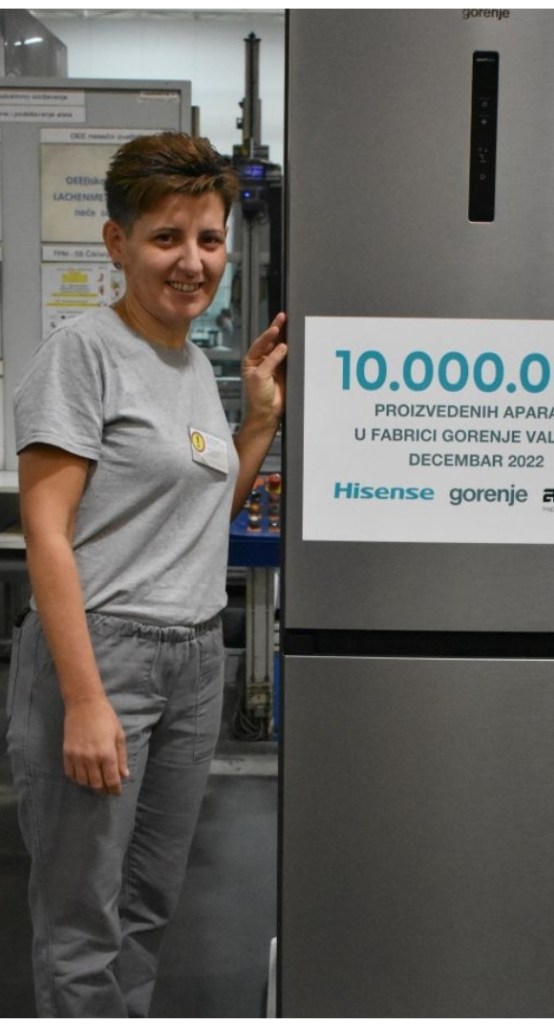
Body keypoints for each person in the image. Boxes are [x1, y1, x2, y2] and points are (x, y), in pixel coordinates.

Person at [5, 131, 287, 1017]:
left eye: (209, 239)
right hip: (105, 654)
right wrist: (85, 699)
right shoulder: (82, 353)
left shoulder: (192, 363)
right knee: (82, 922)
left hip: (195, 659)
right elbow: (46, 536)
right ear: (117, 242)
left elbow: (196, 520)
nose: (192, 262)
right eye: (167, 237)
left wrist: (257, 426)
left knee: (147, 909)